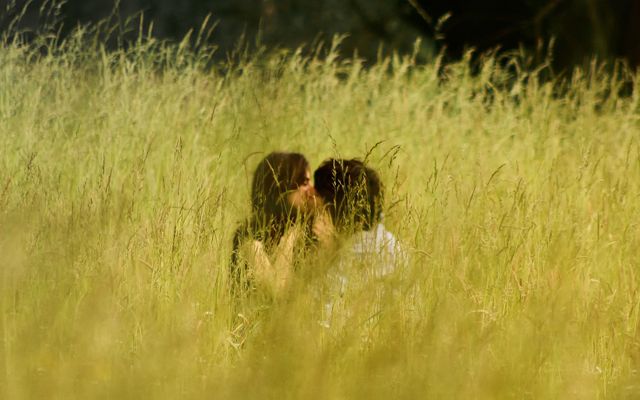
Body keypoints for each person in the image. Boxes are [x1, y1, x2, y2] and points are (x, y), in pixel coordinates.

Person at [230, 152, 316, 298]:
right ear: (281, 188)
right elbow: (276, 293)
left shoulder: (307, 234)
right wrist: (291, 233)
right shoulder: (249, 238)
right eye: (304, 183)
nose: (312, 190)